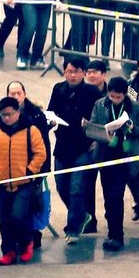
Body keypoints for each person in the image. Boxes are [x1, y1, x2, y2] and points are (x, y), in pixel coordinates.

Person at [89, 77, 139, 251]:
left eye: (118, 97)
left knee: (116, 195)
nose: (114, 99)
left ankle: (117, 235)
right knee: (108, 197)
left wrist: (131, 128)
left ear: (124, 95)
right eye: (112, 96)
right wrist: (102, 131)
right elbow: (94, 126)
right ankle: (112, 231)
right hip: (106, 154)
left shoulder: (135, 108)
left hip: (125, 155)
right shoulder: (100, 104)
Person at [0, 96, 47, 265]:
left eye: (9, 114)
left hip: (24, 184)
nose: (6, 118)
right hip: (3, 183)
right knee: (5, 220)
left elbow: (40, 153)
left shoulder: (31, 130)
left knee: (18, 216)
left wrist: (30, 171)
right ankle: (9, 251)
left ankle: (26, 242)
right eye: (3, 115)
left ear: (18, 112)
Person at [47, 57, 100, 243]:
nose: (73, 75)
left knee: (77, 189)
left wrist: (94, 135)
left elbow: (98, 116)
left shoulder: (92, 91)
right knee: (62, 185)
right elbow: (51, 111)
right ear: (64, 72)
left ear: (83, 73)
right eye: (69, 71)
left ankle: (73, 229)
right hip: (62, 146)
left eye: (77, 71)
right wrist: (50, 121)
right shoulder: (58, 89)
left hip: (83, 147)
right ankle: (82, 215)